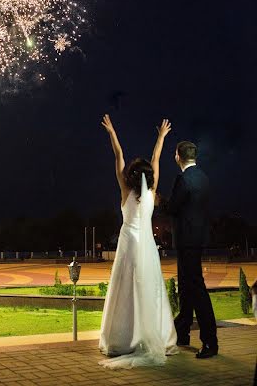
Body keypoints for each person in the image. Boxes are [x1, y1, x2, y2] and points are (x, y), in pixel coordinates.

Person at [99, 115, 177, 369]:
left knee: (125, 287)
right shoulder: (152, 194)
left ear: (131, 175)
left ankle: (122, 339)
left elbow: (118, 155)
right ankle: (155, 334)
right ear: (149, 178)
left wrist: (112, 132)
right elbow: (156, 160)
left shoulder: (124, 189)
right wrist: (161, 137)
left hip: (128, 244)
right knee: (150, 287)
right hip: (147, 246)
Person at [167, 141, 218, 359]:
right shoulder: (204, 178)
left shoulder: (184, 179)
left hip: (186, 240)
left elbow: (173, 208)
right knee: (186, 287)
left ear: (178, 157)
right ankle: (183, 330)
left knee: (195, 288)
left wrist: (160, 203)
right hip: (198, 239)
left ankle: (210, 341)